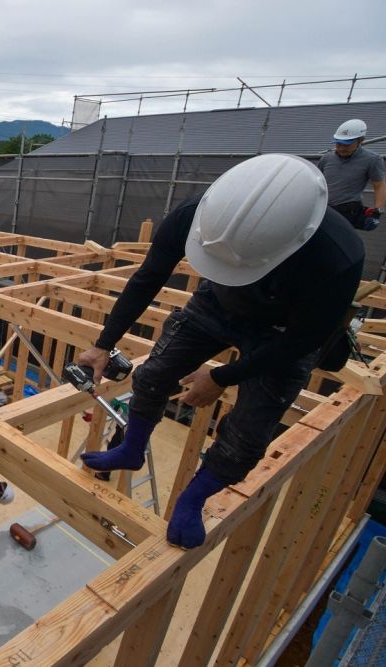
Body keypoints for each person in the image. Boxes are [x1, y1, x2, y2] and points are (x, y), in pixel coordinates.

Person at [75, 154, 364, 549]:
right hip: (218, 302)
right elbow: (148, 278)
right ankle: (131, 448)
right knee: (152, 374)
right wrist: (104, 344)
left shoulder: (337, 257)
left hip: (284, 332)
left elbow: (302, 342)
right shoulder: (194, 214)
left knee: (248, 434)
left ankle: (193, 498)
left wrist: (221, 377)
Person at [318, 119, 385, 231]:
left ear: (360, 141)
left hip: (348, 211)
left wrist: (378, 212)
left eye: (347, 145)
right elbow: (317, 181)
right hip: (323, 209)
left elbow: (379, 186)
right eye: (338, 144)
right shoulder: (326, 158)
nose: (341, 148)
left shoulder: (372, 160)